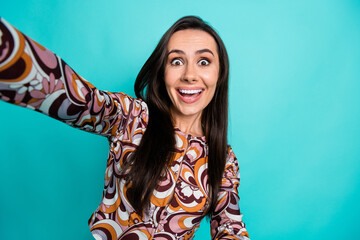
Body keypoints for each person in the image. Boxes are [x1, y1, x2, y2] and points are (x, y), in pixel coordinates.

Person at [0, 16, 250, 240]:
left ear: (220, 73)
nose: (190, 75)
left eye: (204, 61)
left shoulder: (225, 160)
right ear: (163, 72)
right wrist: (8, 53)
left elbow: (231, 227)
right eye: (176, 61)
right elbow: (79, 100)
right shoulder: (132, 117)